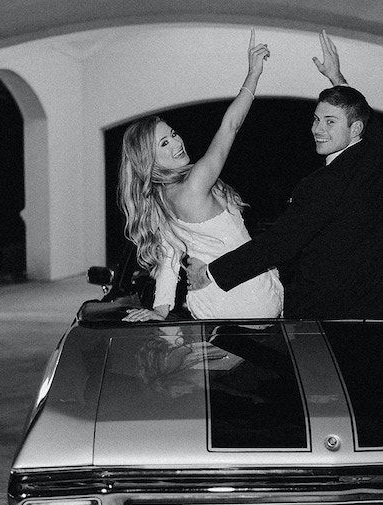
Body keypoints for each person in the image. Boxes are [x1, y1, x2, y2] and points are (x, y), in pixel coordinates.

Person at [186, 30, 383, 320]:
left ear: (355, 129)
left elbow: (279, 243)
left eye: (330, 122)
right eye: (316, 119)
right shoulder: (377, 156)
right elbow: (367, 120)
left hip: (328, 323)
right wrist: (336, 76)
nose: (318, 129)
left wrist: (211, 273)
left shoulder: (321, 184)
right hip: (380, 313)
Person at [119, 29, 283, 323]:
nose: (177, 142)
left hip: (207, 306)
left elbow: (169, 257)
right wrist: (253, 75)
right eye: (164, 144)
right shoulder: (195, 183)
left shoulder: (158, 200)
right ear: (148, 160)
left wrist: (161, 308)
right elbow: (230, 126)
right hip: (250, 297)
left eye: (172, 134)